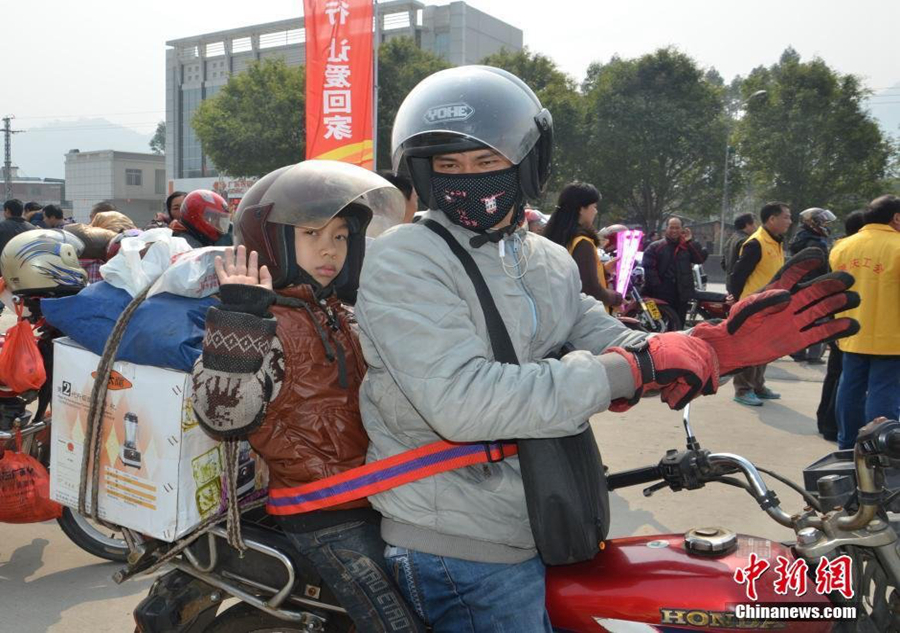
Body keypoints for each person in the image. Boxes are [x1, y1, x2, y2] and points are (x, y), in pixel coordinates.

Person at [354, 65, 854, 630]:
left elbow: (610, 339)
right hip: (460, 541)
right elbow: (462, 400)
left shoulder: (544, 259)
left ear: (525, 165)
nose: (468, 179)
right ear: (424, 171)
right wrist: (631, 368)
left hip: (546, 510)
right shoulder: (407, 258)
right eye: (449, 166)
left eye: (487, 162)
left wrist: (712, 347)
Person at [191, 161, 421, 632]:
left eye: (340, 236)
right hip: (323, 510)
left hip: (372, 492)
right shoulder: (266, 323)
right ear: (271, 242)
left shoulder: (340, 310)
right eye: (312, 233)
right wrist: (239, 320)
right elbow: (223, 416)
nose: (329, 249)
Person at [830, 195, 900, 450]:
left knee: (850, 389)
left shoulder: (842, 247)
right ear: (896, 217)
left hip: (851, 331)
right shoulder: (898, 246)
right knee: (884, 392)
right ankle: (880, 450)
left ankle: (847, 446)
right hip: (891, 336)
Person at [728, 202, 793, 406]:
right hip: (753, 305)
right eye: (786, 217)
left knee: (765, 348)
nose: (789, 222)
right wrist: (737, 301)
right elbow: (738, 275)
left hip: (771, 304)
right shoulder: (755, 243)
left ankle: (758, 385)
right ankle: (743, 389)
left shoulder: (776, 242)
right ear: (772, 219)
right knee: (749, 348)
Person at [816, 209, 866, 441]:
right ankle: (831, 425)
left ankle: (826, 422)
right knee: (842, 376)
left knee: (835, 374)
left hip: (837, 319)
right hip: (849, 322)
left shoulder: (839, 249)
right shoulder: (858, 250)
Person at [543, 181, 622, 308]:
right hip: (581, 318)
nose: (595, 212)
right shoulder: (582, 243)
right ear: (581, 209)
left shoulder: (555, 237)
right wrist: (616, 298)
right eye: (594, 207)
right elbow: (590, 290)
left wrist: (604, 270)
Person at [788, 207, 837, 363]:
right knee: (819, 320)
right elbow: (823, 268)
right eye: (823, 222)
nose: (826, 225)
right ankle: (814, 355)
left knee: (802, 319)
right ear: (813, 223)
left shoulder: (798, 239)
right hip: (815, 285)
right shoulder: (816, 243)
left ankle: (798, 351)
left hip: (799, 284)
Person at [641, 216, 709, 326]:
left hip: (682, 293)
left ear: (682, 229)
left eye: (677, 228)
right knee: (659, 323)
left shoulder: (687, 246)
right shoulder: (655, 246)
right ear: (666, 228)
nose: (674, 231)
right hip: (660, 293)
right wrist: (658, 287)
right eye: (671, 227)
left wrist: (690, 241)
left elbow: (699, 259)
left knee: (679, 324)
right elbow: (649, 269)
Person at [0, 199, 37, 276]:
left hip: (4, 271)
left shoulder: (2, 227)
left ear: (7, 210)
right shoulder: (32, 229)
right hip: (26, 271)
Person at [721, 213, 756, 283]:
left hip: (731, 283)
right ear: (747, 225)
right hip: (744, 285)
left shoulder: (730, 240)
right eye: (754, 224)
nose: (755, 227)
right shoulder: (746, 241)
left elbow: (723, 264)